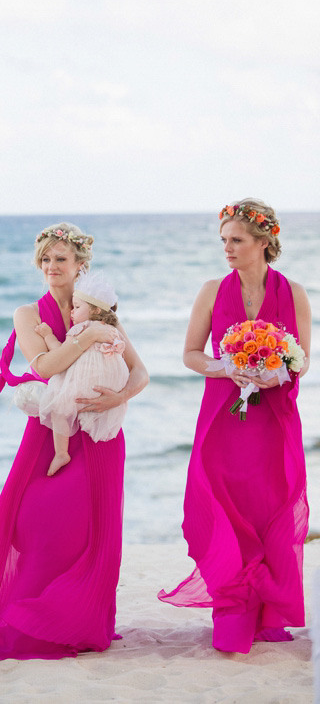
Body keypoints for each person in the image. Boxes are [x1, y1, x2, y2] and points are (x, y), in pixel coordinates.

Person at [0, 223, 148, 660]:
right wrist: (86, 337)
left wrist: (118, 397)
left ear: (80, 266)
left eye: (61, 259)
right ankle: (29, 614)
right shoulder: (28, 314)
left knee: (93, 528)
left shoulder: (102, 312)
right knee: (37, 519)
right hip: (49, 434)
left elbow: (141, 372)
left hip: (102, 437)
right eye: (45, 260)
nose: (51, 267)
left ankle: (81, 620)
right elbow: (46, 367)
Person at [159, 199, 311, 653]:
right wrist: (226, 369)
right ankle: (232, 608)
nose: (227, 248)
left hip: (273, 422)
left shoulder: (295, 292)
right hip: (223, 420)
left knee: (270, 508)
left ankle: (266, 612)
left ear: (264, 242)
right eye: (223, 240)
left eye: (236, 240)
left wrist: (274, 372)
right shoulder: (211, 291)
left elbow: (301, 360)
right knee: (225, 508)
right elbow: (190, 353)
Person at [35, 271, 128, 476]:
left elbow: (60, 351)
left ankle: (61, 453)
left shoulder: (83, 328)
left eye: (77, 307)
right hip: (112, 383)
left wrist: (48, 335)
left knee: (59, 408)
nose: (72, 312)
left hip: (87, 382)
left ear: (94, 309)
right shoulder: (112, 329)